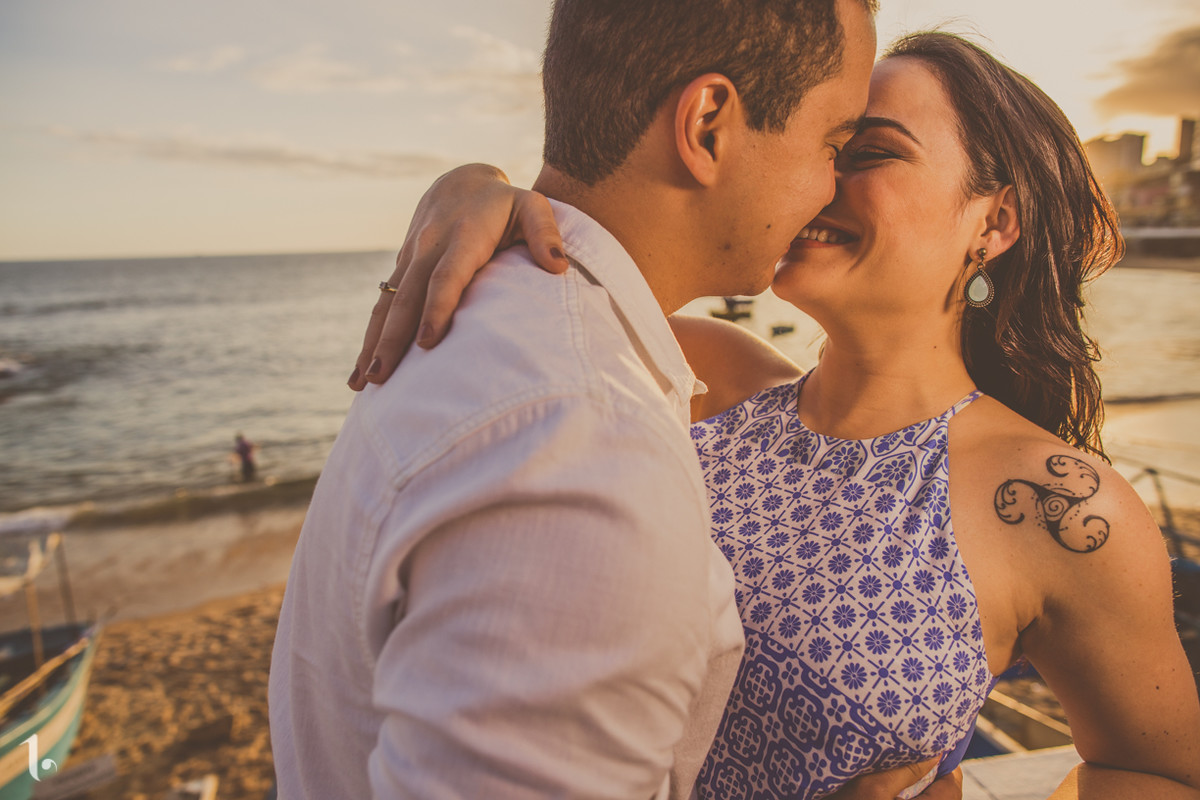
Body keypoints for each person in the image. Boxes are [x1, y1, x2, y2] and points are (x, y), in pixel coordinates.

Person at [351, 32, 1200, 798]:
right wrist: (474, 190)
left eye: (866, 152)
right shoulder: (695, 367)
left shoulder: (1059, 504)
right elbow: (565, 258)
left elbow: (1156, 767)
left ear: (994, 221)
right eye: (826, 143)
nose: (820, 177)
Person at [269, 0, 954, 798]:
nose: (833, 185)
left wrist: (475, 183)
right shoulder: (587, 441)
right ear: (707, 127)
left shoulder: (509, 317)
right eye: (833, 143)